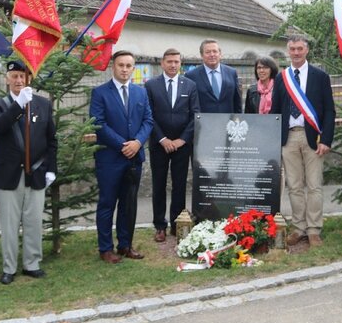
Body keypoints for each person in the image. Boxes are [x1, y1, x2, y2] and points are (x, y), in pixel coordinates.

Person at [0, 60, 57, 284]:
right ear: (7, 79)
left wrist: (51, 169)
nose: (19, 80)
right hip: (8, 174)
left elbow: (51, 140)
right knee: (9, 225)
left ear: (29, 79)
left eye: (22, 76)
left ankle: (32, 263)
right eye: (14, 76)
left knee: (34, 221)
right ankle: (9, 267)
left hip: (36, 172)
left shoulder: (43, 104)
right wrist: (18, 105)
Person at [271, 34, 335, 248]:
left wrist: (326, 139)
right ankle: (299, 228)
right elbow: (275, 110)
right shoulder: (282, 78)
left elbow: (329, 110)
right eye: (292, 49)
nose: (296, 52)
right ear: (288, 51)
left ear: (307, 50)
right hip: (288, 137)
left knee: (314, 186)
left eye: (300, 48)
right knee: (294, 186)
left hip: (314, 138)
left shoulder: (320, 76)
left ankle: (314, 229)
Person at [90, 50, 153, 263]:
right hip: (110, 159)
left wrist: (137, 142)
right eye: (121, 65)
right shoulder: (100, 93)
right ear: (113, 67)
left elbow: (148, 121)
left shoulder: (140, 93)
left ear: (133, 68)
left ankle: (125, 245)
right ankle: (106, 248)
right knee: (107, 204)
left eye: (128, 66)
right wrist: (123, 145)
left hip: (134, 158)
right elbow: (98, 124)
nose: (125, 69)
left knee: (128, 204)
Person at [145, 48, 200, 242]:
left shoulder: (190, 85)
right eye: (169, 61)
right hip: (159, 144)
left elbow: (195, 115)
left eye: (176, 61)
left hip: (182, 145)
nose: (173, 65)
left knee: (179, 184)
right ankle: (160, 226)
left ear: (180, 64)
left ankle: (177, 224)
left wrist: (181, 140)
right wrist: (163, 139)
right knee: (159, 184)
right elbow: (148, 115)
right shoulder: (151, 85)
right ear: (162, 63)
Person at [184, 39, 242, 114]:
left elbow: (237, 101)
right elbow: (188, 104)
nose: (212, 55)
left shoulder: (232, 73)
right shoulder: (191, 76)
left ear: (220, 54)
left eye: (215, 51)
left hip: (228, 120)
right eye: (208, 52)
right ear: (201, 55)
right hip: (204, 120)